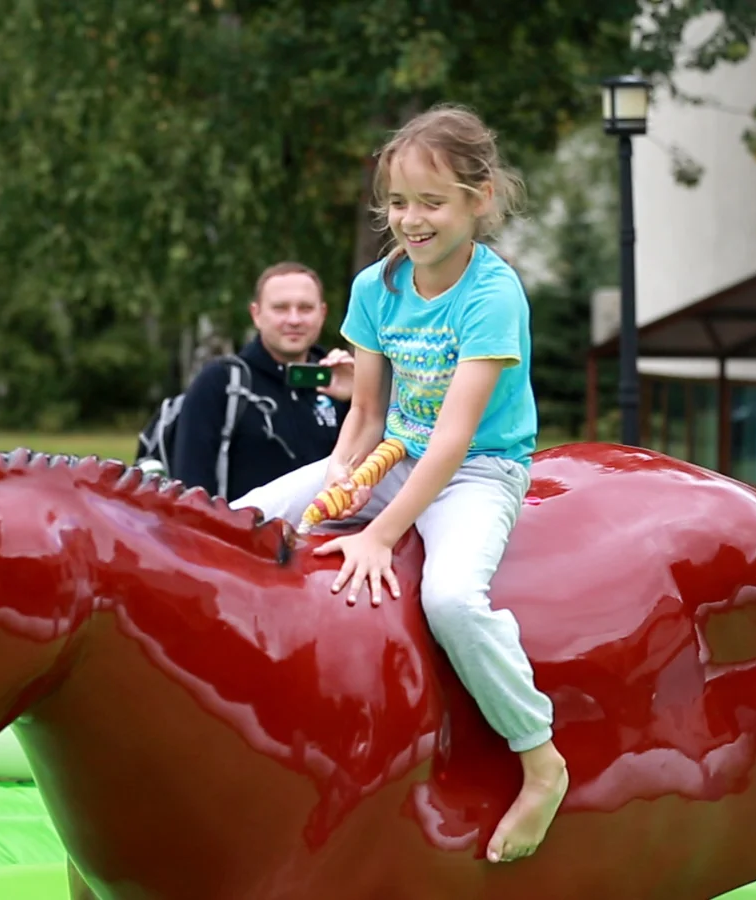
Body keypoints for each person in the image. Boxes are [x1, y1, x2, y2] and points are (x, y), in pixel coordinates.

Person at [231, 104, 568, 863]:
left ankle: (540, 758)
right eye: (398, 202)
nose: (411, 220)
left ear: (479, 199)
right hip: (394, 455)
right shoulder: (375, 286)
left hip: (479, 470)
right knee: (244, 518)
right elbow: (368, 413)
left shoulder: (492, 295)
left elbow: (453, 439)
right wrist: (344, 480)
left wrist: (382, 533)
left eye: (432, 202)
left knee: (450, 599)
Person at [170, 262, 354, 502]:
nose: (294, 319)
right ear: (256, 314)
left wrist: (360, 398)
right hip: (239, 536)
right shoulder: (222, 383)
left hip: (325, 536)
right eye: (280, 308)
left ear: (323, 313)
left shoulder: (341, 381)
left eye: (306, 308)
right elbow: (191, 488)